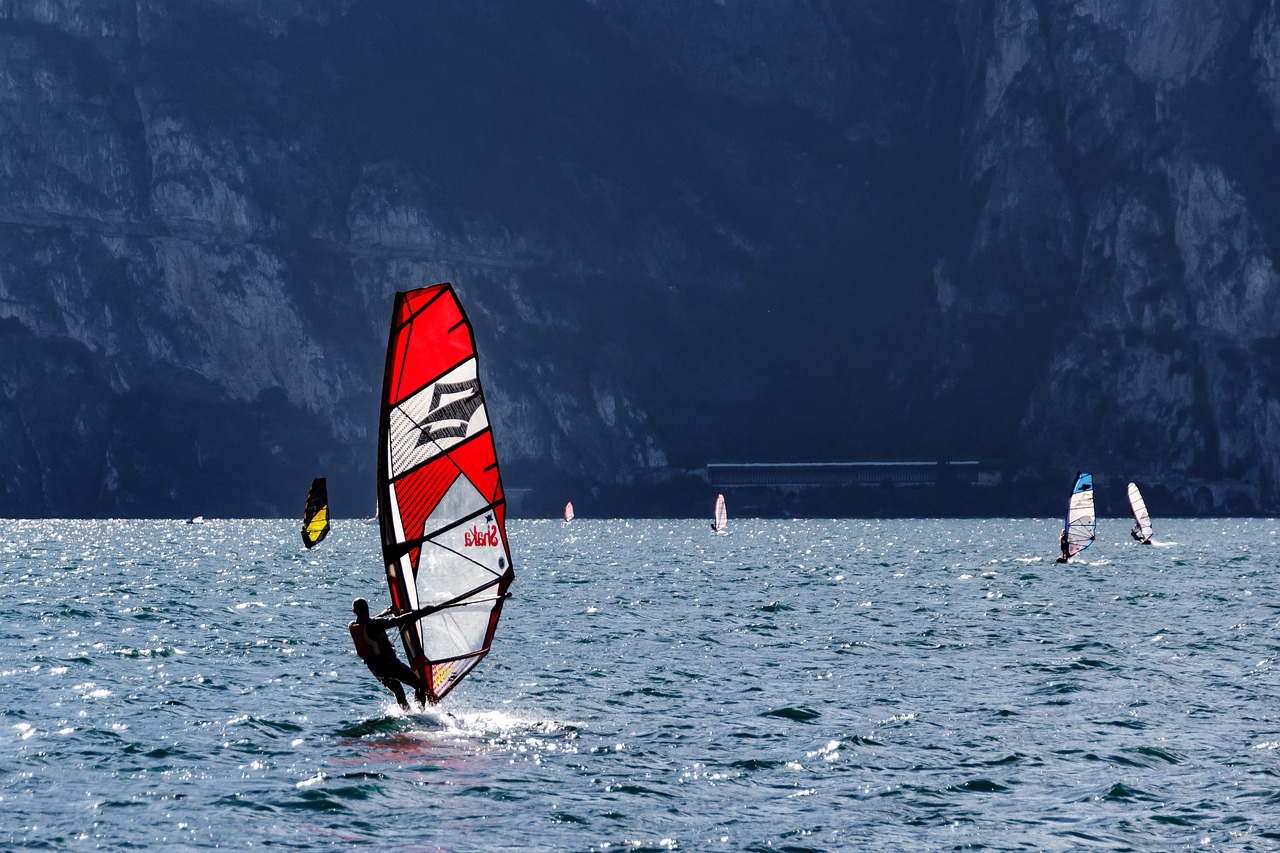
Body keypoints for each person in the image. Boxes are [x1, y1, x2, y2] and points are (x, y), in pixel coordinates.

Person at [349, 597, 434, 711]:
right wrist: (421, 612)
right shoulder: (374, 624)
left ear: (353, 611)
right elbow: (398, 620)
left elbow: (369, 622)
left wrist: (385, 613)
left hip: (376, 670)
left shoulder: (352, 626)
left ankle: (408, 713)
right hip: (390, 666)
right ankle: (421, 713)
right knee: (419, 686)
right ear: (367, 608)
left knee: (399, 692)